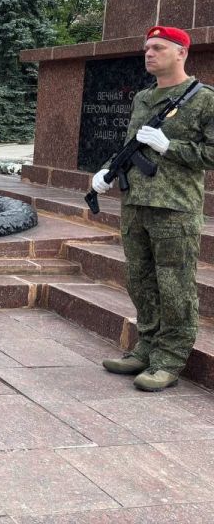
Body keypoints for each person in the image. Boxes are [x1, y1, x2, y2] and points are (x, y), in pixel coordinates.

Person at [96, 26, 214, 391]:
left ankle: (170, 358)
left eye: (159, 47)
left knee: (174, 285)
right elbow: (132, 144)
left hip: (174, 208)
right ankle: (146, 347)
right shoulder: (144, 97)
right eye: (147, 47)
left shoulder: (204, 99)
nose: (149, 53)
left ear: (181, 53)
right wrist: (108, 169)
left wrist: (170, 147)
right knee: (140, 280)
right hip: (136, 204)